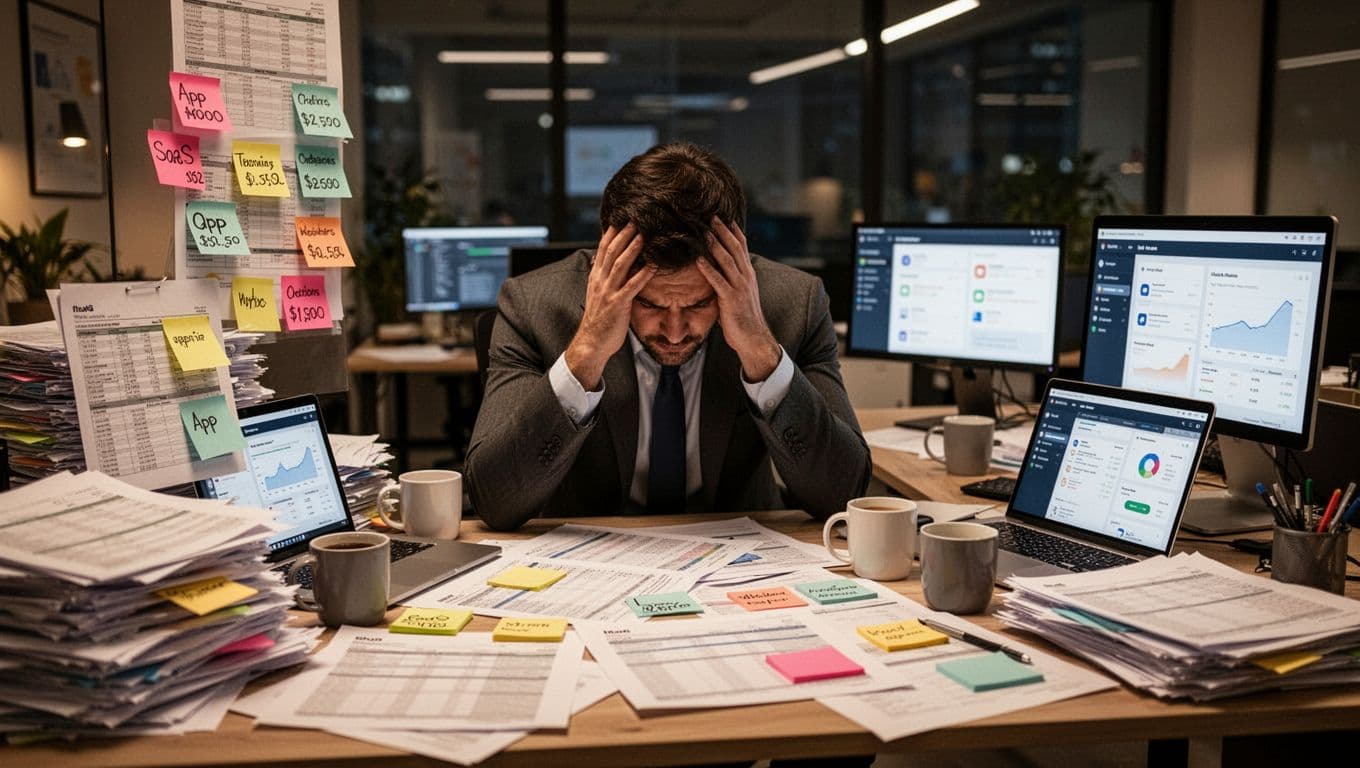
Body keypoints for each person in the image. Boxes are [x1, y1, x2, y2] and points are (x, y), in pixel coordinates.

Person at [466, 142, 870, 530]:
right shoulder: (533, 307)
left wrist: (761, 353)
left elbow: (843, 495)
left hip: (743, 553)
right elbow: (496, 502)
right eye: (649, 304)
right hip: (586, 551)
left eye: (698, 304)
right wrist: (585, 353)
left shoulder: (795, 305)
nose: (675, 333)